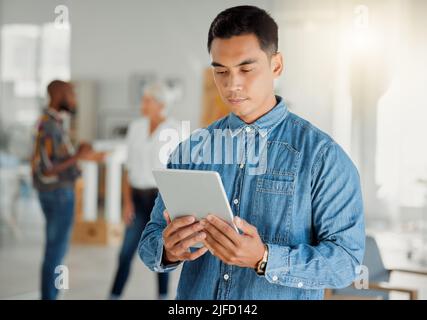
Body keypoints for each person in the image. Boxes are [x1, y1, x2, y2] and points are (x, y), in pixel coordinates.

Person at [139, 6, 365, 300]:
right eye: (221, 71)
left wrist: (265, 258)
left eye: (246, 69)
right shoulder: (190, 151)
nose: (232, 84)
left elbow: (346, 263)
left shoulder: (323, 158)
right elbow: (149, 243)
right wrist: (168, 250)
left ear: (276, 65)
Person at [109, 83, 183, 300]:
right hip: (137, 197)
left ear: (160, 104)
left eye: (147, 100)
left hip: (160, 198)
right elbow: (129, 168)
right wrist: (127, 202)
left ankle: (162, 297)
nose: (142, 104)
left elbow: (177, 172)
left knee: (162, 251)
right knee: (125, 253)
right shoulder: (136, 127)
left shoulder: (174, 130)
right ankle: (114, 295)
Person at [31, 80, 104, 300]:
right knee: (56, 251)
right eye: (71, 94)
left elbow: (57, 160)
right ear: (59, 95)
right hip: (58, 194)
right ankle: (50, 296)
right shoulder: (48, 125)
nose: (74, 100)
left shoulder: (53, 123)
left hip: (57, 192)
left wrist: (77, 154)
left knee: (56, 250)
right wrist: (77, 156)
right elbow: (48, 168)